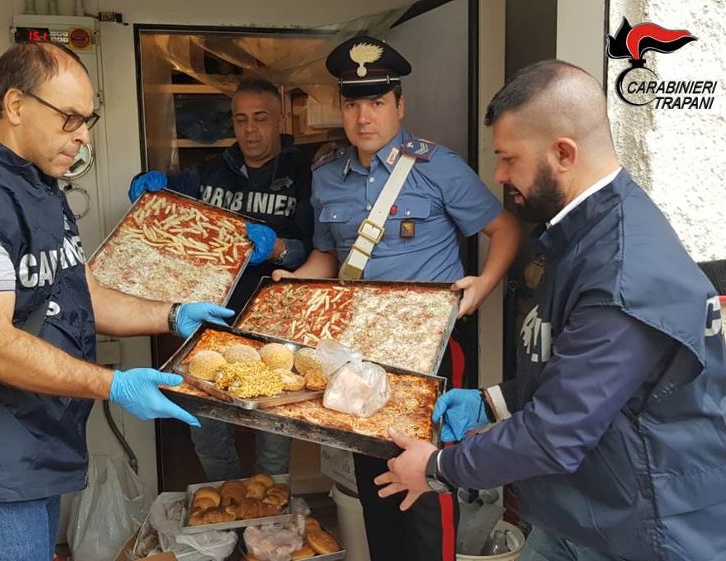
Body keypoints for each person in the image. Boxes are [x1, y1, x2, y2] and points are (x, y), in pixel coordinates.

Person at [375, 60, 726, 561]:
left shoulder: (622, 273)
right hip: (580, 509)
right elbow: (574, 367)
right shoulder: (583, 231)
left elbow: (556, 433)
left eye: (508, 159)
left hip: (643, 528)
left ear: (563, 153)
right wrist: (493, 401)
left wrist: (438, 467)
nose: (498, 175)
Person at [0, 42, 233, 561]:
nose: (83, 135)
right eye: (70, 118)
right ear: (15, 106)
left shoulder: (42, 186)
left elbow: (81, 293)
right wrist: (114, 384)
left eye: (88, 119)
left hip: (34, 444)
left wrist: (171, 314)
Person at [273, 35, 521, 561]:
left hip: (430, 352)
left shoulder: (438, 167)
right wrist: (296, 280)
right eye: (353, 103)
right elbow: (328, 258)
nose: (365, 117)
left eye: (378, 102)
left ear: (399, 106)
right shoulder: (325, 177)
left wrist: (483, 283)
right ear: (341, 107)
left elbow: (505, 229)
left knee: (430, 479)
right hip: (361, 356)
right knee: (376, 478)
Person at [128, 78, 313, 480]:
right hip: (209, 321)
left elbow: (321, 250)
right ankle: (227, 500)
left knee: (272, 430)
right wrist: (156, 190)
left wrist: (280, 248)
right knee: (207, 428)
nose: (249, 129)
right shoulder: (212, 171)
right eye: (241, 119)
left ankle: (269, 515)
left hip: (274, 323)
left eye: (260, 118)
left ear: (279, 117)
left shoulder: (306, 173)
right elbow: (173, 205)